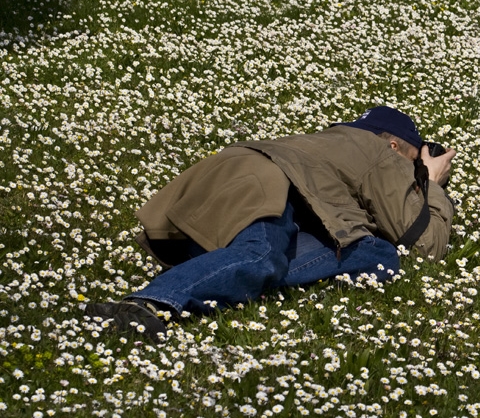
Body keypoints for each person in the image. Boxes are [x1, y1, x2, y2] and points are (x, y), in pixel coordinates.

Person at [85, 106, 456, 342]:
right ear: (395, 147)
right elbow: (423, 243)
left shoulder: (326, 143)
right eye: (412, 155)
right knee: (261, 254)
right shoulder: (378, 152)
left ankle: (212, 274)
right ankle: (153, 304)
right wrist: (432, 184)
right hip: (265, 184)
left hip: (212, 189)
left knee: (378, 254)